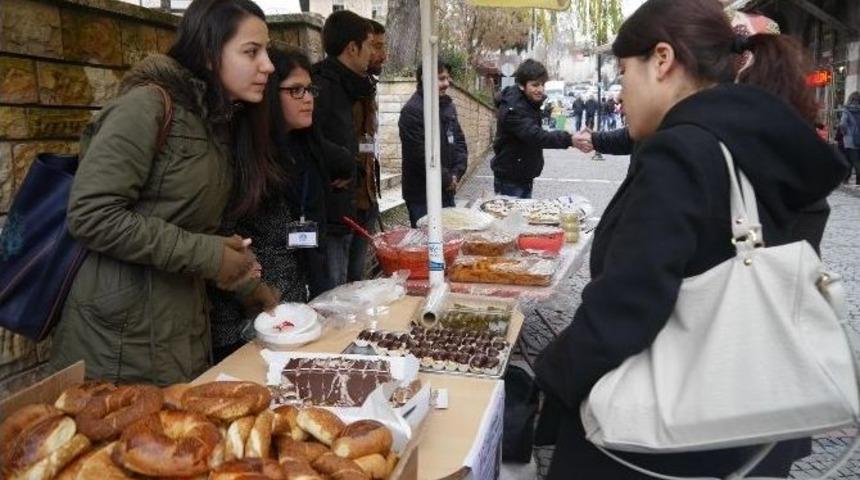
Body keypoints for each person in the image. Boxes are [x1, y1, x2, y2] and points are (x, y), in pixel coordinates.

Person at [533, 1, 848, 478]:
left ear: (662, 60)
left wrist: (548, 382)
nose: (619, 93)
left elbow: (627, 305)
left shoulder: (682, 150)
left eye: (623, 72)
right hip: (749, 422)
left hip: (666, 439)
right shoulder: (750, 138)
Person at [50, 0, 276, 385]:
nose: (268, 65)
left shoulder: (214, 119)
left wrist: (243, 278)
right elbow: (91, 215)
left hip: (177, 326)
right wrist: (208, 254)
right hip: (119, 340)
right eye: (251, 52)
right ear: (208, 53)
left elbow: (177, 223)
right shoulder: (147, 106)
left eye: (265, 51)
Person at [207, 48, 342, 362]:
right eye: (295, 90)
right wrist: (255, 292)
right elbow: (221, 244)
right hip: (245, 320)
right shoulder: (241, 157)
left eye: (310, 89)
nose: (307, 98)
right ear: (269, 94)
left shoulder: (306, 149)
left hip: (294, 311)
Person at [312, 10, 375, 287]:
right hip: (332, 211)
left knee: (354, 285)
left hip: (358, 201)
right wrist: (344, 163)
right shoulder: (321, 86)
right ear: (352, 48)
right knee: (335, 293)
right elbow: (305, 138)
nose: (372, 53)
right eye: (370, 45)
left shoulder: (358, 86)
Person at [490, 59, 573, 199]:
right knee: (511, 220)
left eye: (542, 85)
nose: (540, 89)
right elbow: (536, 136)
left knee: (522, 219)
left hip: (523, 177)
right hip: (511, 181)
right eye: (535, 85)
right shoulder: (513, 108)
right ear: (522, 85)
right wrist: (570, 139)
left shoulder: (528, 103)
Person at [399, 61, 468, 227]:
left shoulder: (448, 106)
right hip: (422, 196)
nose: (447, 83)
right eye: (441, 78)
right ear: (425, 78)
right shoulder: (412, 111)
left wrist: (456, 173)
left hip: (446, 191)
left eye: (447, 78)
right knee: (426, 246)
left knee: (448, 241)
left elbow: (459, 142)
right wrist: (447, 179)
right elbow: (418, 155)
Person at [347, 19, 387, 282]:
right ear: (354, 48)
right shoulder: (336, 88)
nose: (383, 55)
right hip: (345, 202)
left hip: (367, 195)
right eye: (375, 46)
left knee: (358, 274)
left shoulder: (367, 87)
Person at [839, 91, 860, 185]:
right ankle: (854, 180)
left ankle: (847, 179)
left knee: (851, 160)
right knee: (856, 160)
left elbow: (842, 124)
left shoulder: (846, 111)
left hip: (850, 140)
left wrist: (845, 134)